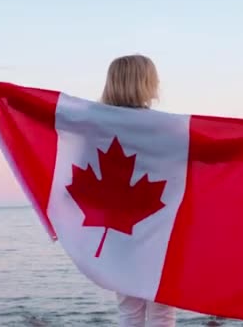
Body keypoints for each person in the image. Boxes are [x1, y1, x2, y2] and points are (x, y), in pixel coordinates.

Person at [100, 54, 176, 327]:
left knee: (129, 310)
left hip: (118, 232)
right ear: (145, 82)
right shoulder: (165, 126)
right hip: (160, 227)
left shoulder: (93, 126)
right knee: (162, 309)